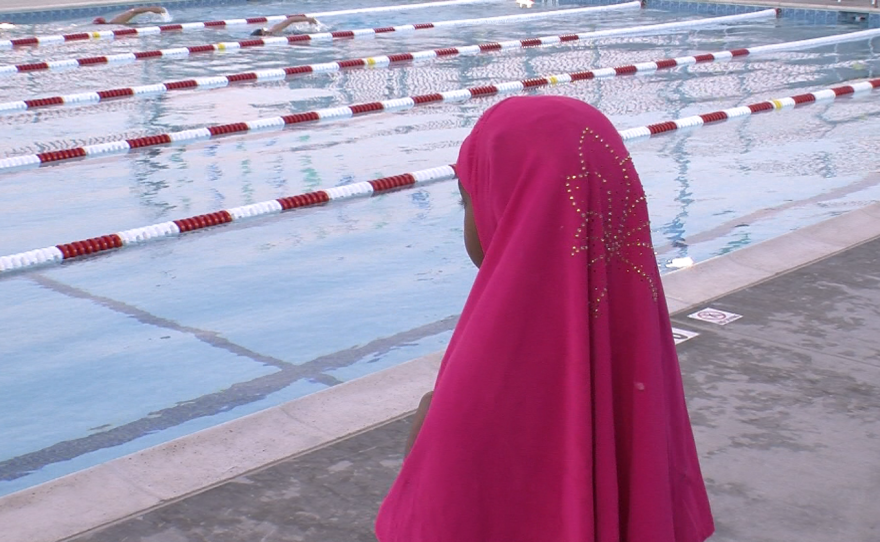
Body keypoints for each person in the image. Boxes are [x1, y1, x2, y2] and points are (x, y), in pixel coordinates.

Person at [376, 95, 714, 542]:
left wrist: (429, 424)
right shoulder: (636, 337)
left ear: (510, 204)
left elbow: (424, 524)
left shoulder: (485, 373)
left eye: (468, 202)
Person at [250, 15, 319, 36]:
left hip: (297, 34)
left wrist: (309, 19)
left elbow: (291, 20)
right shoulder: (271, 33)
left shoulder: (273, 30)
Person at [93, 6, 170, 25]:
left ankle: (157, 10)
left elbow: (133, 11)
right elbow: (133, 11)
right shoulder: (115, 21)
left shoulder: (115, 21)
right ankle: (157, 10)